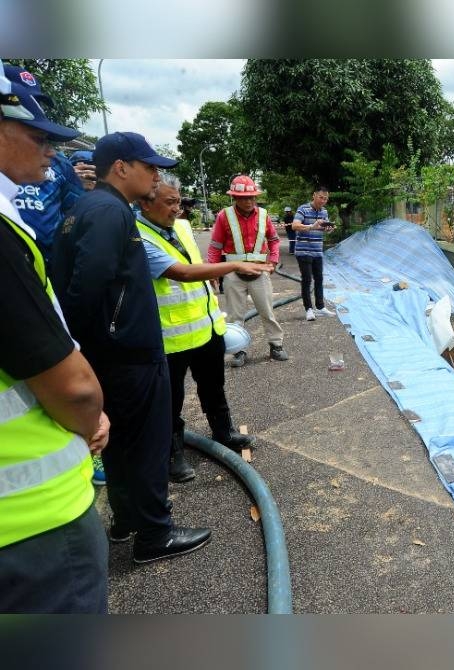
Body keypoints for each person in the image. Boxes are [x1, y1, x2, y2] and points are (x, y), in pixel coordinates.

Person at [52, 131, 212, 564]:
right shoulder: (110, 212)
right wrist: (100, 339)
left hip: (114, 352)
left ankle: (125, 521)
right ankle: (155, 535)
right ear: (121, 167)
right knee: (148, 443)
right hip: (128, 355)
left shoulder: (91, 208)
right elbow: (88, 287)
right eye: (149, 166)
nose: (156, 175)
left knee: (121, 443)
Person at [0, 61, 110, 612]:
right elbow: (75, 389)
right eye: (37, 136)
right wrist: (92, 421)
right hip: (32, 526)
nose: (51, 150)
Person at [136, 174, 264, 478]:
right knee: (171, 399)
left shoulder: (181, 227)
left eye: (179, 202)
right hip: (172, 338)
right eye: (169, 203)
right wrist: (233, 265)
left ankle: (223, 432)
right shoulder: (137, 235)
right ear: (144, 202)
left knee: (213, 387)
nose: (177, 209)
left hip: (205, 328)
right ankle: (172, 452)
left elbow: (200, 268)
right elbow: (181, 272)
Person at [207, 175, 287, 366]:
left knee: (267, 311)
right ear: (235, 198)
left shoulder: (264, 215)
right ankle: (238, 350)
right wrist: (213, 271)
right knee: (235, 315)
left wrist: (273, 261)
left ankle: (276, 345)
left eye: (252, 197)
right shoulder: (223, 216)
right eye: (244, 198)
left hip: (260, 272)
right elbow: (215, 247)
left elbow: (274, 241)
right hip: (234, 274)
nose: (249, 201)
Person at [292, 186, 337, 321]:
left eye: (325, 198)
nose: (323, 201)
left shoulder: (324, 212)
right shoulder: (303, 209)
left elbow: (323, 230)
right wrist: (312, 226)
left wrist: (329, 229)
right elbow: (295, 226)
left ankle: (320, 307)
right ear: (314, 195)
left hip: (317, 251)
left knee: (319, 278)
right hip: (303, 250)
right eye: (321, 197)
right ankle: (309, 309)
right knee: (307, 279)